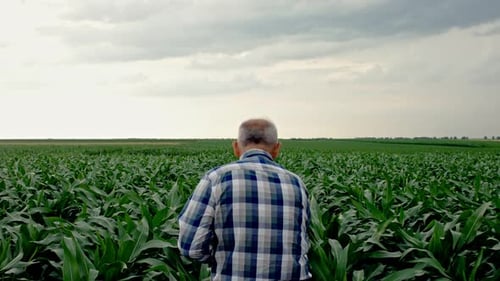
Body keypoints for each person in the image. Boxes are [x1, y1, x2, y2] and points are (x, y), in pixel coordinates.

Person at [178, 118, 312, 281]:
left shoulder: (217, 179)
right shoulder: (296, 183)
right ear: (277, 148)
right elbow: (303, 241)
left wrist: (221, 258)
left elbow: (190, 246)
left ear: (236, 147)